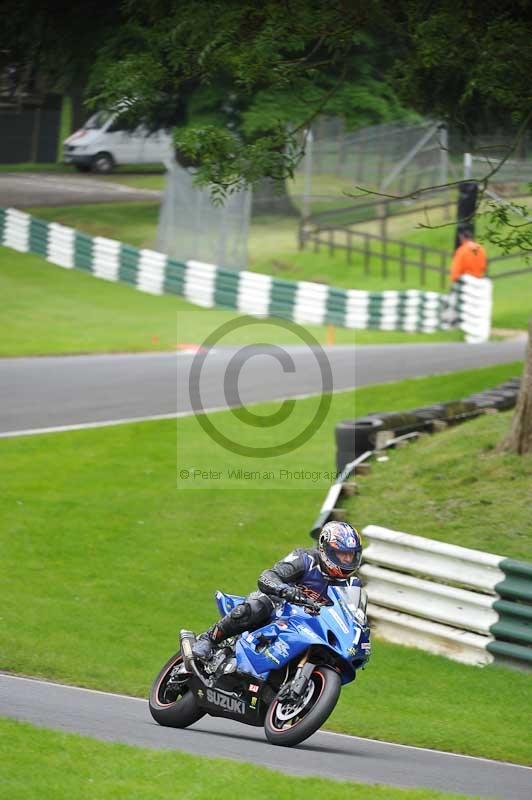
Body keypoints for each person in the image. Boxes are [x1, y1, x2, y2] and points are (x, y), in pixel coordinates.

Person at [192, 521, 364, 661]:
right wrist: (286, 590)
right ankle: (210, 638)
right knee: (258, 606)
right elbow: (268, 576)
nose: (348, 560)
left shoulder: (352, 585)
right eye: (343, 554)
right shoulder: (306, 559)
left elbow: (353, 617)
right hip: (280, 608)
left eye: (351, 555)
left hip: (310, 625)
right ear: (326, 549)